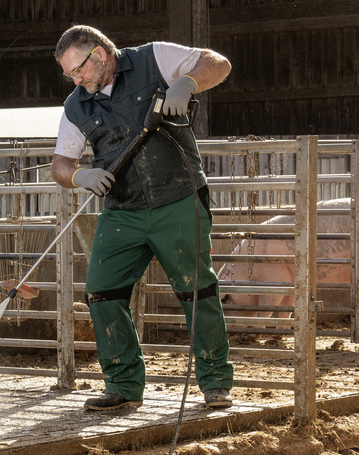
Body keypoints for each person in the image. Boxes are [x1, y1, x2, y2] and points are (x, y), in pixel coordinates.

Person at [49, 25, 235, 412]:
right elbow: (60, 164)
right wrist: (80, 175)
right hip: (123, 210)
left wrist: (185, 84)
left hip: (178, 198)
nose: (76, 80)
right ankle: (123, 384)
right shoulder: (76, 105)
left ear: (99, 55)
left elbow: (217, 63)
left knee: (195, 289)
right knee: (102, 289)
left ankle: (215, 383)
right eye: (70, 75)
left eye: (78, 70)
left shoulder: (155, 58)